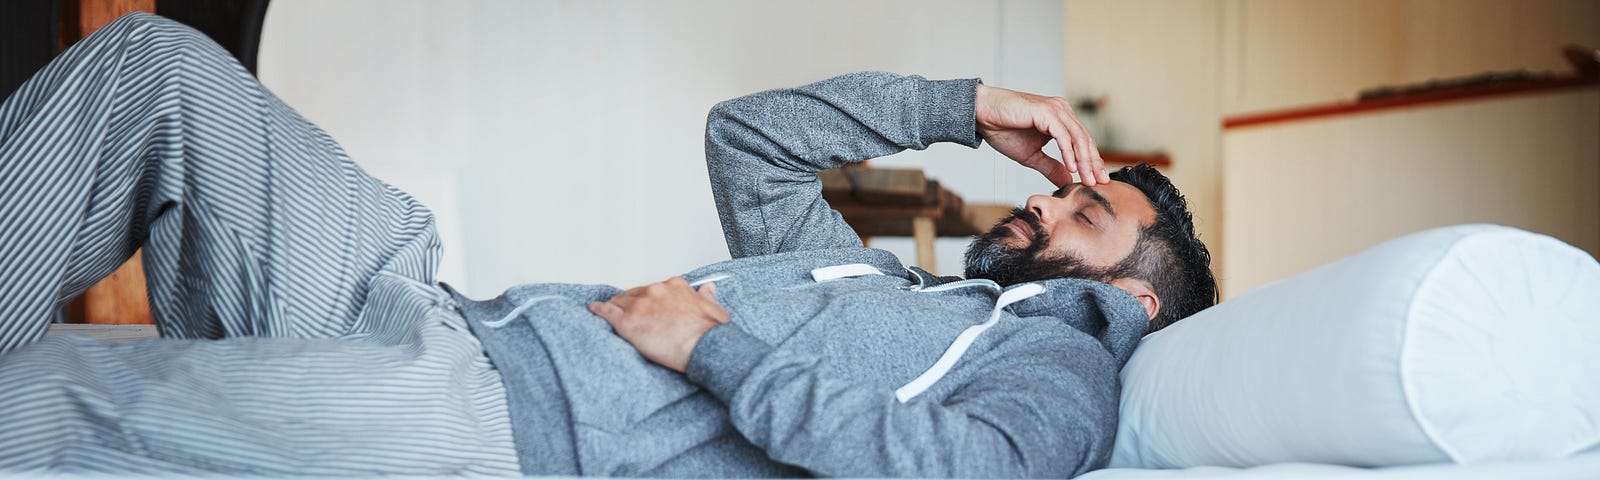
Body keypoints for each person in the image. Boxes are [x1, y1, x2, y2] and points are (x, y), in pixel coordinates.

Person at [0, 13, 1215, 478]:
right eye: (1061, 194)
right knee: (156, 75)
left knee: (53, 396)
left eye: (1085, 218)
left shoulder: (1063, 364)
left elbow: (966, 472)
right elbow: (752, 139)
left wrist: (711, 351)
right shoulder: (891, 288)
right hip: (431, 310)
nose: (1044, 209)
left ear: (1137, 301)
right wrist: (963, 108)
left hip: (486, 427)